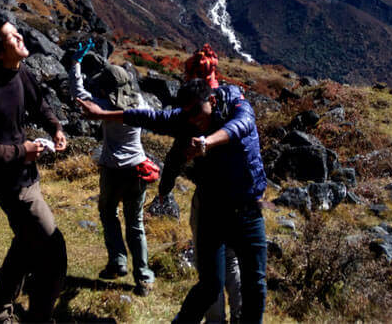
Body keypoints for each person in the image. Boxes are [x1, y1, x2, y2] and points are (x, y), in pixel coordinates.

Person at [78, 77, 268, 323]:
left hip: (248, 209)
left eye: (197, 112)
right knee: (210, 285)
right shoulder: (187, 119)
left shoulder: (238, 106)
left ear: (211, 100)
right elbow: (148, 117)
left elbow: (241, 126)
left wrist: (206, 143)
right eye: (188, 114)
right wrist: (103, 114)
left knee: (255, 284)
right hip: (212, 209)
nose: (194, 119)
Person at [0, 10, 68, 323]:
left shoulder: (20, 71)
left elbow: (39, 103)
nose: (21, 37)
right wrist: (22, 151)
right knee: (53, 250)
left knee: (25, 246)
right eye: (13, 36)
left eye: (17, 32)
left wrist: (55, 127)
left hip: (26, 176)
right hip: (12, 186)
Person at [154, 44, 243, 323]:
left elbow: (175, 157)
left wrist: (164, 190)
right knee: (233, 261)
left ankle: (215, 320)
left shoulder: (193, 113)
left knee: (211, 270)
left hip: (210, 200)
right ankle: (242, 317)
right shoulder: (232, 102)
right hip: (240, 197)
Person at [71, 54, 157, 295]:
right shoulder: (140, 102)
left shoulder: (103, 105)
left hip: (112, 169)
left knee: (108, 213)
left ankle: (118, 261)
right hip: (138, 169)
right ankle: (143, 275)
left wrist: (76, 66)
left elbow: (78, 92)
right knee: (135, 223)